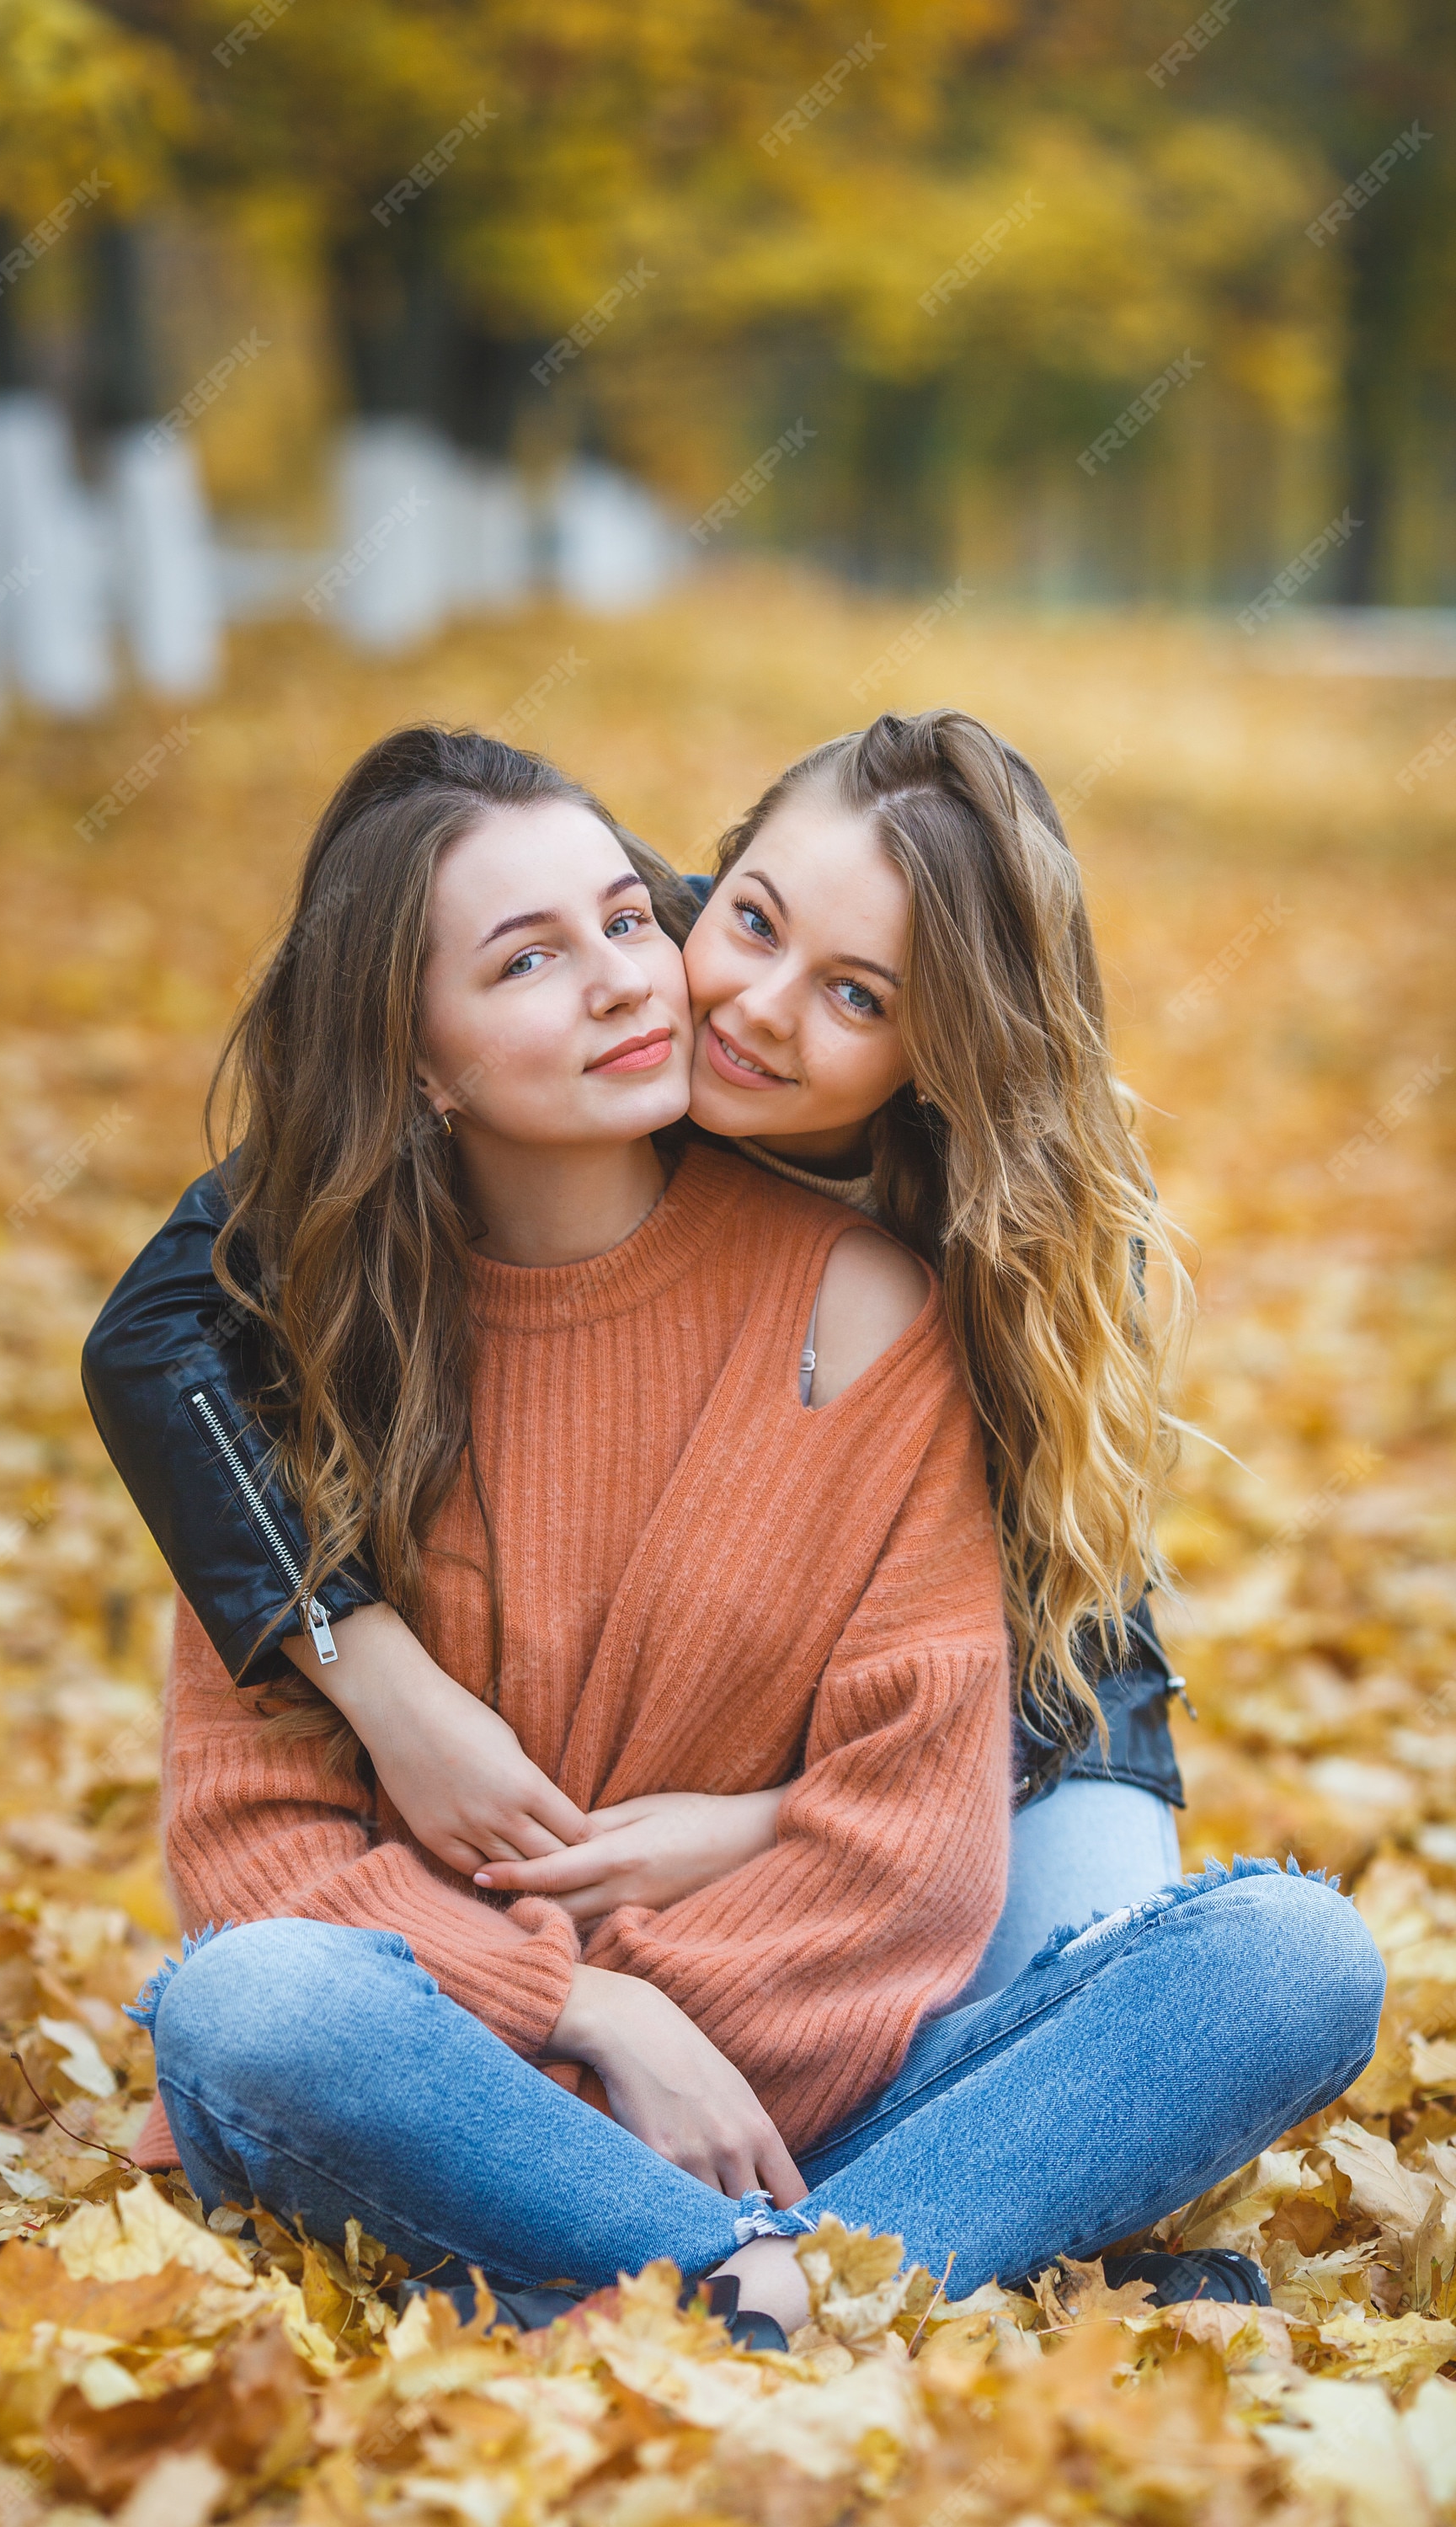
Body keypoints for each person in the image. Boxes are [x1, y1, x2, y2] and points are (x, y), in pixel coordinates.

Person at [100, 726, 1383, 2342]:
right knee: (250, 2006)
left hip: (897, 1939)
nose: (673, 992)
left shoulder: (898, 1288)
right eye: (534, 958)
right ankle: (853, 2263)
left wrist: (748, 1889)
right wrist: (597, 2014)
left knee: (1287, 1960)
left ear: (938, 1052)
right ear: (413, 1053)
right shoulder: (296, 1341)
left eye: (624, 925)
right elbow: (256, 1861)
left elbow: (917, 1834)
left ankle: (694, 2274)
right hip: (470, 2052)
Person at [88, 711, 1187, 1992]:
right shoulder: (631, 982)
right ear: (705, 889)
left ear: (946, 1052)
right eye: (753, 923)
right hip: (616, 1870)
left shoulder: (1009, 1223)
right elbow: (153, 1332)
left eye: (858, 996)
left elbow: (973, 1677)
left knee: (1144, 1997)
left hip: (1030, 1714)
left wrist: (768, 1827)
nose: (753, 1009)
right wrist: (379, 1675)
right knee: (269, 2016)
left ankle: (841, 2185)